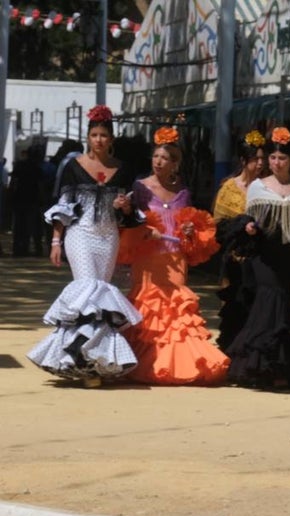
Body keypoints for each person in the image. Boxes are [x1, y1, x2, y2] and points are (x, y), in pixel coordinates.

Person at [27, 106, 141, 386]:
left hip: (108, 236)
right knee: (87, 290)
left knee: (101, 298)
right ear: (88, 137)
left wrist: (124, 207)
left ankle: (94, 362)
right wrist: (56, 240)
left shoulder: (122, 170)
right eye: (94, 135)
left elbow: (127, 218)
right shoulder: (74, 167)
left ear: (111, 138)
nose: (99, 140)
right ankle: (75, 357)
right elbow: (63, 207)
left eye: (104, 135)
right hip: (79, 234)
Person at [117, 126, 229, 385]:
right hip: (148, 256)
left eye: (164, 158)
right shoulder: (140, 187)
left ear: (175, 163)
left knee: (177, 312)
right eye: (155, 157)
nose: (158, 162)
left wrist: (189, 228)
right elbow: (131, 220)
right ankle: (147, 362)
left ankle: (181, 365)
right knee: (148, 307)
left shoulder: (184, 191)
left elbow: (185, 219)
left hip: (175, 257)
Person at [223, 126, 290, 391]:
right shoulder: (257, 188)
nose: (276, 163)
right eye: (273, 158)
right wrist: (249, 228)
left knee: (286, 301)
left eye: (282, 158)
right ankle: (258, 366)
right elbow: (245, 225)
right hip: (264, 256)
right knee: (268, 299)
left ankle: (283, 369)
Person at [212, 130, 266, 351]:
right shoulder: (229, 188)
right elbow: (218, 225)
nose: (260, 163)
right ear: (244, 161)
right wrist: (240, 228)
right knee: (236, 305)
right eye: (255, 159)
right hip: (235, 259)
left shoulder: (267, 187)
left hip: (262, 257)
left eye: (263, 158)